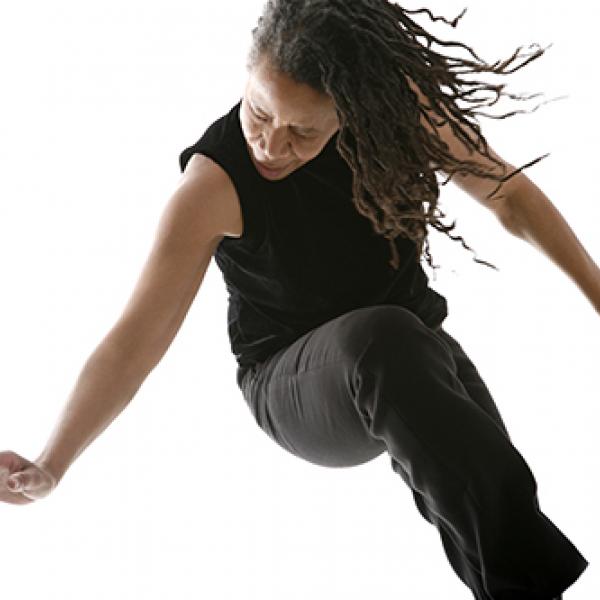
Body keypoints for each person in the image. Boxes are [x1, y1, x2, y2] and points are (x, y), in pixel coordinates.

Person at [0, 1, 597, 598]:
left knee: (491, 490)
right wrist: (52, 463)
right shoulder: (213, 186)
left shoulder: (402, 110)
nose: (270, 145)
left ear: (353, 109)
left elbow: (509, 196)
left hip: (410, 351)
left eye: (303, 132)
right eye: (259, 113)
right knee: (386, 342)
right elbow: (135, 341)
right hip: (294, 386)